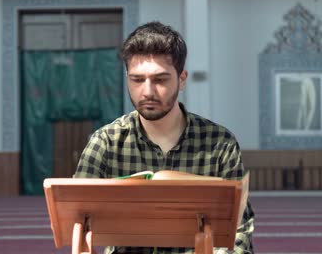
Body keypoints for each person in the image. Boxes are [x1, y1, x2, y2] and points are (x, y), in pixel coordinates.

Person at [75, 21, 254, 254]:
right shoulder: (105, 143)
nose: (147, 91)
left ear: (181, 79)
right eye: (137, 80)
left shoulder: (219, 144)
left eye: (160, 80)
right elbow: (76, 220)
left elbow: (240, 230)